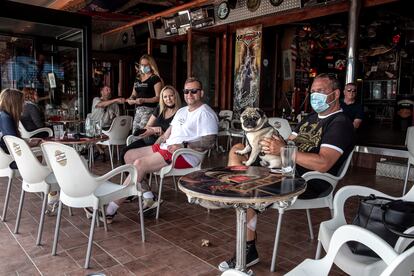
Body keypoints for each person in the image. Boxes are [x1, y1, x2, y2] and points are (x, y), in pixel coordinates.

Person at [219, 73, 355, 271]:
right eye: (313, 91)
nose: (315, 95)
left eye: (321, 91)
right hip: (283, 167)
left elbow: (324, 163)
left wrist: (283, 150)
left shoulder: (340, 124)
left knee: (245, 187)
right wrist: (268, 143)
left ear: (336, 94)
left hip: (308, 180)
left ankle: (247, 247)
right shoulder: (310, 118)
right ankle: (238, 194)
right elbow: (288, 141)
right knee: (237, 149)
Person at [98, 77, 218, 224]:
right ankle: (149, 196)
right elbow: (168, 133)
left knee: (139, 164)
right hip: (167, 148)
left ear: (201, 93)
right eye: (187, 91)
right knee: (129, 155)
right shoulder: (182, 111)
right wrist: (157, 144)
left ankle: (110, 210)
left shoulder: (206, 113)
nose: (189, 94)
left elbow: (210, 141)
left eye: (194, 91)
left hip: (184, 154)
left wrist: (184, 145)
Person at [121, 85, 182, 163]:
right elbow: (147, 126)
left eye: (171, 96)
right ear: (162, 99)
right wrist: (154, 129)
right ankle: (132, 174)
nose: (168, 99)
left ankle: (139, 172)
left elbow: (175, 136)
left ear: (175, 96)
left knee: (133, 158)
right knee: (124, 152)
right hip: (147, 139)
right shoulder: (160, 108)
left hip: (160, 145)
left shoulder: (180, 113)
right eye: (165, 97)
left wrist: (161, 132)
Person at [127, 54, 163, 133]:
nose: (143, 67)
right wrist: (131, 99)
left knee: (142, 133)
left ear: (151, 65)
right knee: (134, 133)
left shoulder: (155, 78)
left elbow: (158, 97)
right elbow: (133, 94)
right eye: (142, 65)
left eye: (146, 65)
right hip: (138, 110)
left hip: (149, 110)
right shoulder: (138, 78)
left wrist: (144, 100)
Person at [90, 85, 124, 160]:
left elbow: (119, 119)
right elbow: (101, 105)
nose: (109, 91)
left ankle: (100, 151)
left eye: (110, 90)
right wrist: (115, 100)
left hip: (108, 128)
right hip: (96, 126)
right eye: (107, 90)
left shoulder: (114, 105)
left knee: (111, 135)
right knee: (91, 133)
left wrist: (114, 118)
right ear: (101, 92)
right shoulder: (96, 99)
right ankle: (101, 151)